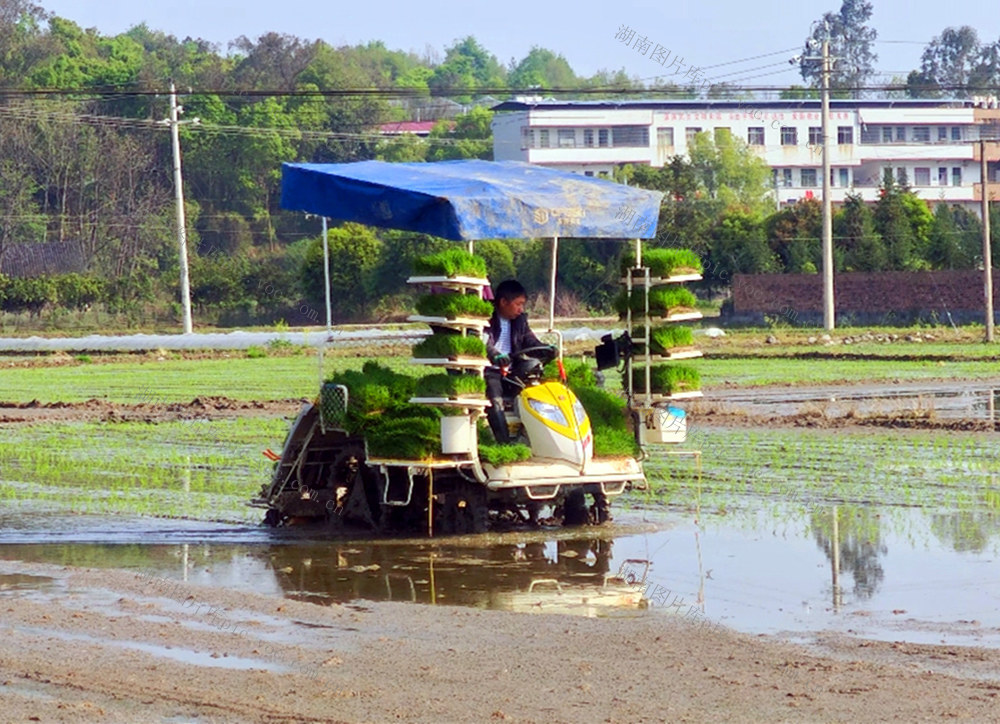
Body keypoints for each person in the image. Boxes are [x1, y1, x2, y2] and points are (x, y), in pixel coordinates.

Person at [484, 279, 550, 443]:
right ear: (503, 302)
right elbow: (485, 343)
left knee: (538, 391)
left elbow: (530, 341)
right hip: (490, 370)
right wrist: (496, 356)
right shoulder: (487, 318)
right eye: (518, 304)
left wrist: (547, 348)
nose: (521, 309)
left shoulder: (520, 320)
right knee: (495, 398)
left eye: (523, 305)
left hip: (513, 370)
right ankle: (503, 443)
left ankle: (532, 438)